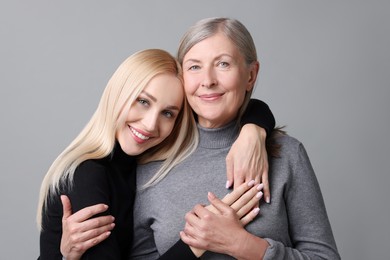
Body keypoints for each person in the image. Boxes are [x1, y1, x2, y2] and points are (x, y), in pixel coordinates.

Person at [129, 17, 341, 259]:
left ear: (251, 75)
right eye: (194, 67)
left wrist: (242, 244)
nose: (208, 81)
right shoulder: (151, 161)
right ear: (182, 76)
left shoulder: (286, 155)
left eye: (223, 64)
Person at [37, 48, 276, 259]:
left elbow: (246, 107)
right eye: (142, 101)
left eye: (168, 113)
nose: (151, 124)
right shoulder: (88, 175)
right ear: (118, 94)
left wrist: (253, 132)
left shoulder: (139, 160)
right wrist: (196, 240)